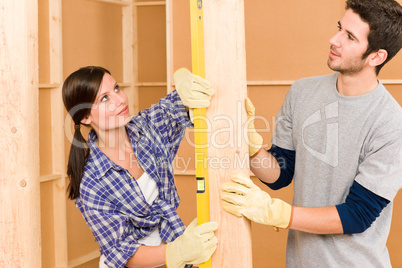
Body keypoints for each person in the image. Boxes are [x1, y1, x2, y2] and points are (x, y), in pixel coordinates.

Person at [221, 0, 402, 267]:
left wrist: (277, 213)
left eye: (349, 37)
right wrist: (251, 146)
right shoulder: (302, 93)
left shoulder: (391, 123)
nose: (334, 39)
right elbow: (280, 174)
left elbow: (357, 215)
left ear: (376, 56)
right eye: (340, 28)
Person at [62, 66, 218, 268]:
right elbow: (123, 253)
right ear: (85, 117)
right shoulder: (91, 183)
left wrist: (184, 82)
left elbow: (176, 106)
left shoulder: (146, 128)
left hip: (174, 255)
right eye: (104, 98)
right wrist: (178, 250)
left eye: (117, 88)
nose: (120, 100)